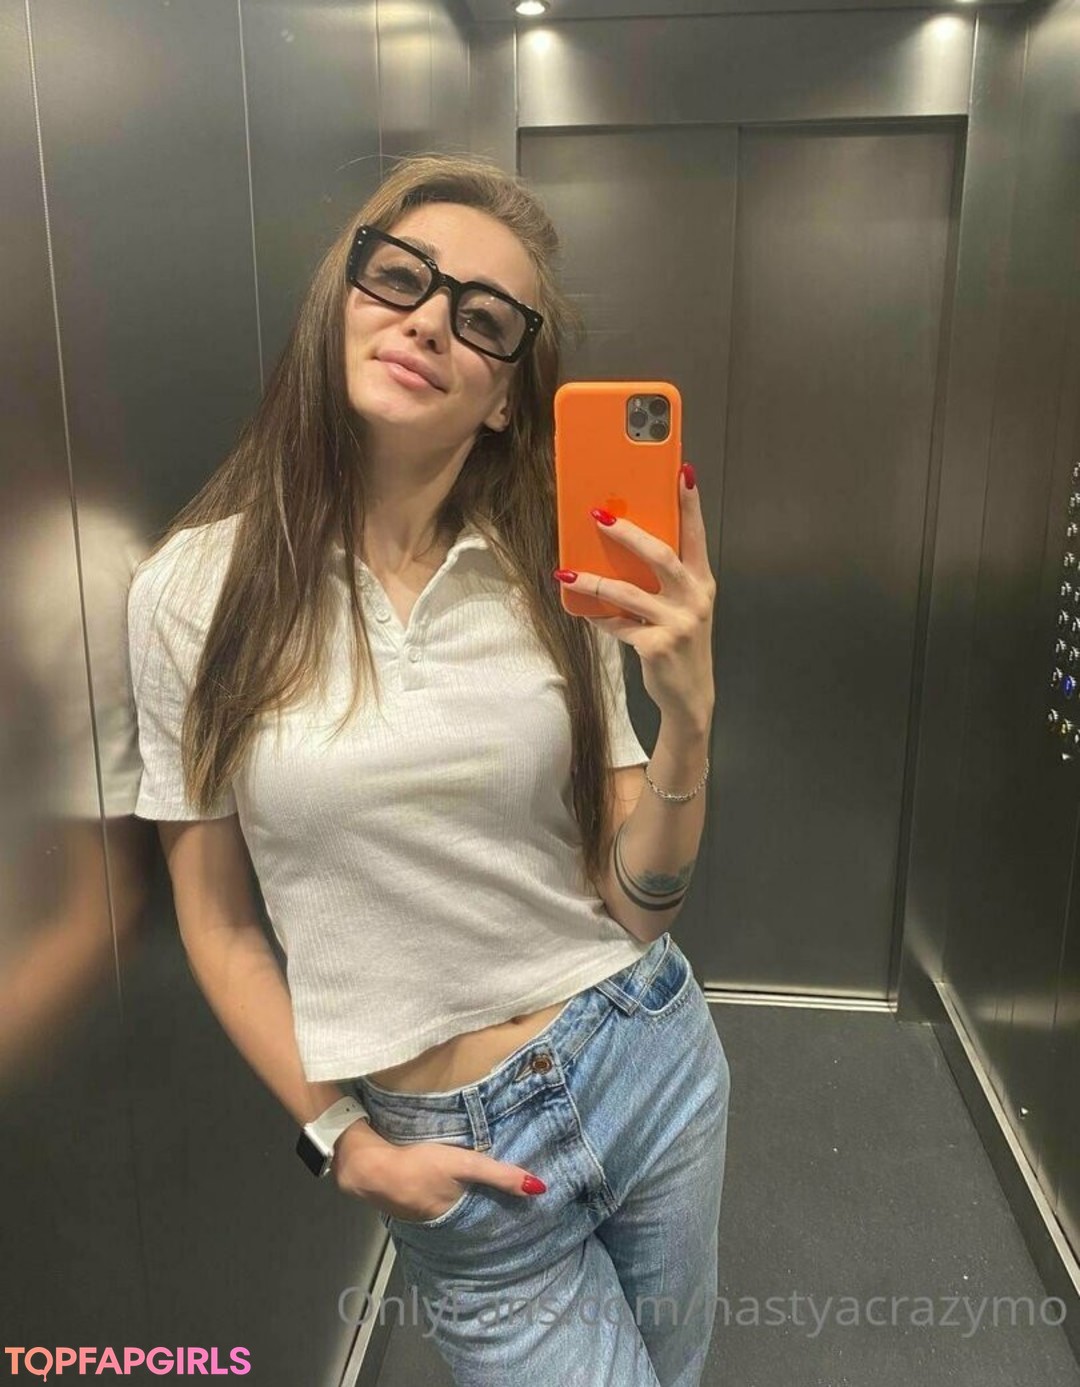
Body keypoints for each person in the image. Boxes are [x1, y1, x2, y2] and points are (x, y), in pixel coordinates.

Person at [127, 151, 730, 1386]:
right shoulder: (191, 592)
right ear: (342, 298)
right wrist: (343, 1140)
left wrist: (689, 723)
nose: (429, 320)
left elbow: (635, 904)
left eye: (485, 317)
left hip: (648, 1054)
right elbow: (219, 923)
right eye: (401, 276)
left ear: (506, 395)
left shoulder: (552, 577)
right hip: (463, 1150)